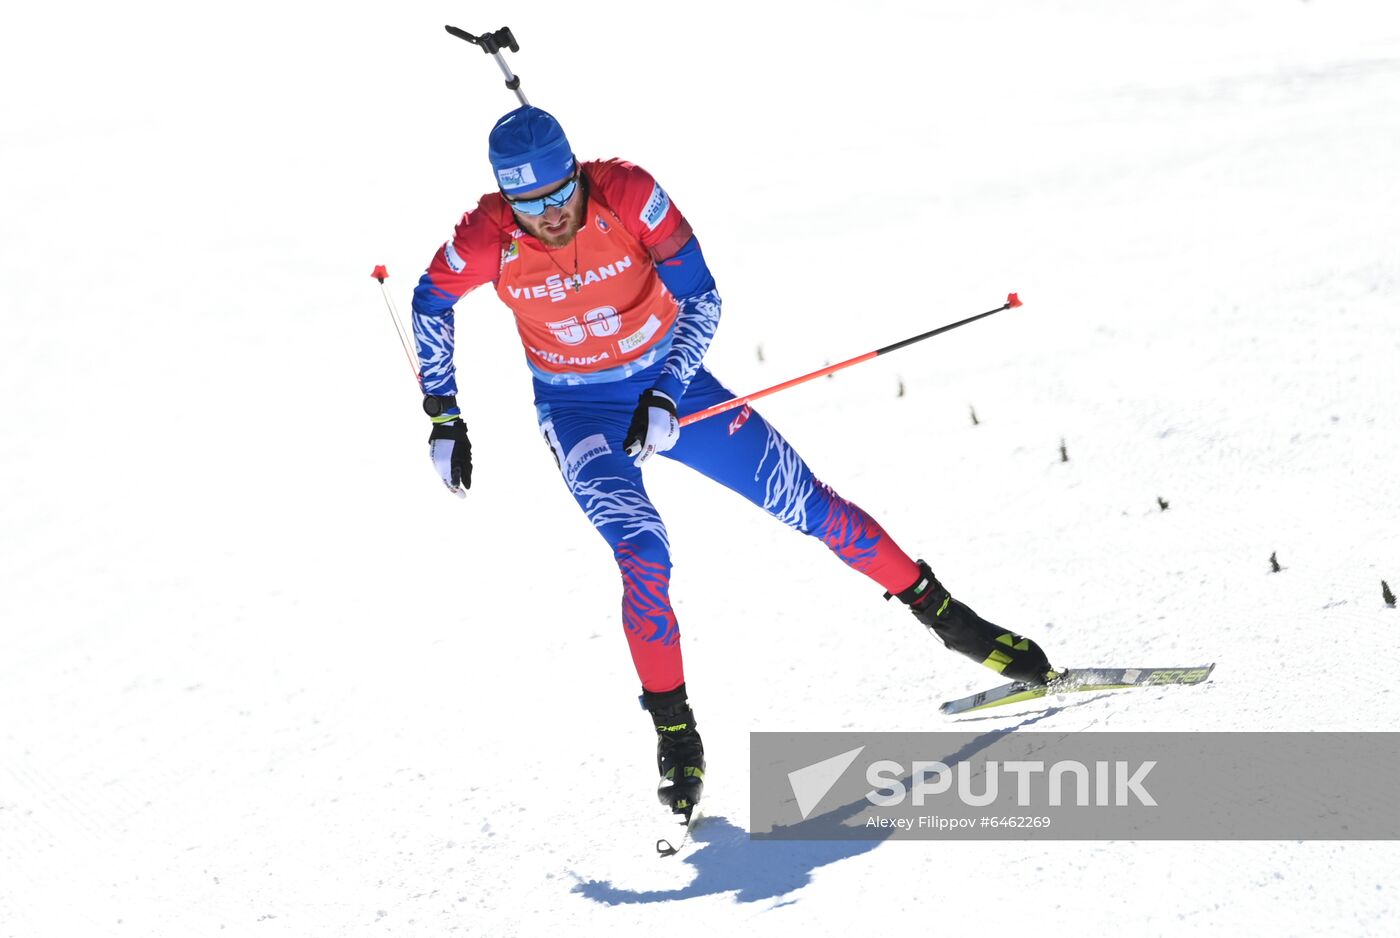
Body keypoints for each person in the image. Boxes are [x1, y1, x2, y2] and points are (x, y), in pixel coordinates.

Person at [410, 105, 1055, 817]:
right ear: (506, 197)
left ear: (576, 175)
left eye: (561, 194)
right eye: (530, 205)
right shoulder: (484, 236)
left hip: (675, 386)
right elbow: (429, 301)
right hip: (579, 412)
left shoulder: (626, 192)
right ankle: (677, 735)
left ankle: (953, 622)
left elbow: (702, 296)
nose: (552, 215)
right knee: (643, 553)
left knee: (811, 504)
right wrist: (445, 414)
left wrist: (665, 390)